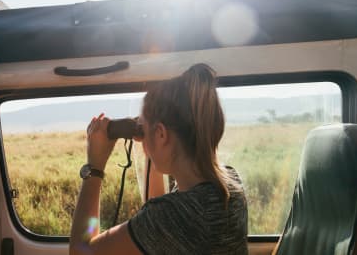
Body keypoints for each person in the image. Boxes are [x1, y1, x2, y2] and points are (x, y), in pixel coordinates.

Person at [70, 63, 248, 255]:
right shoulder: (231, 184)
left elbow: (81, 252)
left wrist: (94, 167)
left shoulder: (171, 216)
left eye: (144, 130)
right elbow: (158, 230)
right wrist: (150, 133)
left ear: (161, 134)